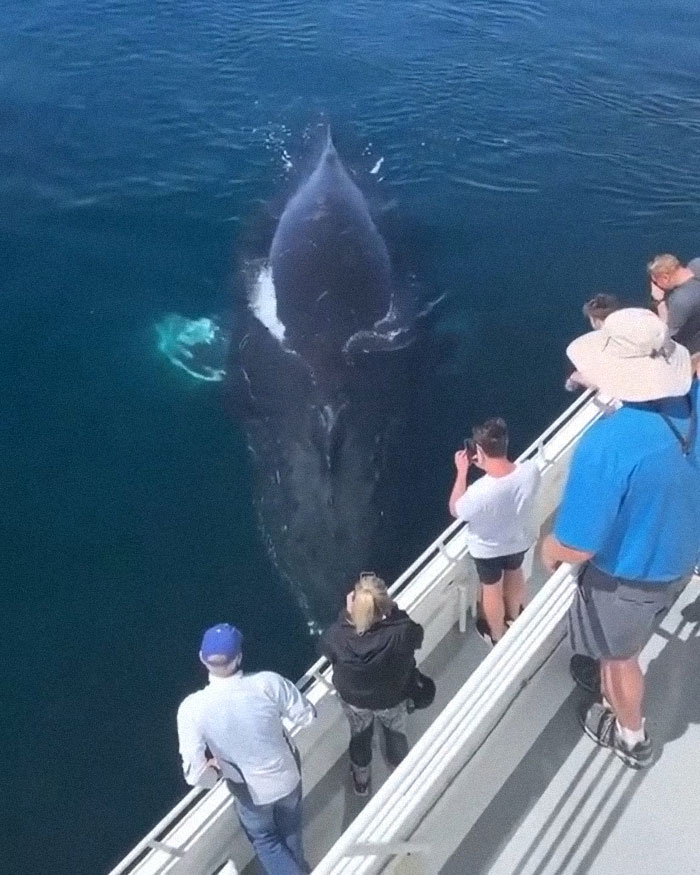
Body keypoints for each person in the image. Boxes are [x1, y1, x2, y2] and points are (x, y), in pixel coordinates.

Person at [542, 308, 700, 769]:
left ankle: (632, 737)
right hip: (682, 556)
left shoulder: (606, 445)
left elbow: (578, 546)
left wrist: (546, 549)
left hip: (628, 581)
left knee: (619, 660)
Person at [177, 623, 316, 875]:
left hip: (248, 792)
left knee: (266, 842)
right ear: (239, 657)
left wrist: (214, 771)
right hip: (286, 775)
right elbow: (307, 717)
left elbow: (196, 776)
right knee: (291, 831)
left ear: (202, 659)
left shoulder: (191, 709)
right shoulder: (268, 682)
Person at [320, 573, 423, 797]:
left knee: (360, 735)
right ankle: (399, 774)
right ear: (385, 604)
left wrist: (346, 617)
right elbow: (418, 637)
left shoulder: (337, 636)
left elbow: (327, 648)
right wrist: (395, 613)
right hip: (392, 698)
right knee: (395, 733)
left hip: (355, 700)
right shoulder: (401, 630)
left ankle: (361, 779)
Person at [449, 418, 541, 645]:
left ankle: (497, 634)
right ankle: (515, 615)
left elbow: (456, 509)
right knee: (515, 571)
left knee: (492, 588)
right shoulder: (530, 470)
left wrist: (462, 472)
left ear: (479, 450)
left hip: (488, 549)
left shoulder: (479, 491)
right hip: (518, 539)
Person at [565, 293, 622, 391]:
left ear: (595, 320)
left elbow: (599, 383)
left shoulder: (597, 345)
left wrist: (575, 377)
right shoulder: (635, 329)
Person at [648, 253, 700, 353]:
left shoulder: (680, 300)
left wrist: (659, 301)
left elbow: (666, 336)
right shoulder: (696, 263)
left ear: (665, 278)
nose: (656, 286)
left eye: (655, 282)